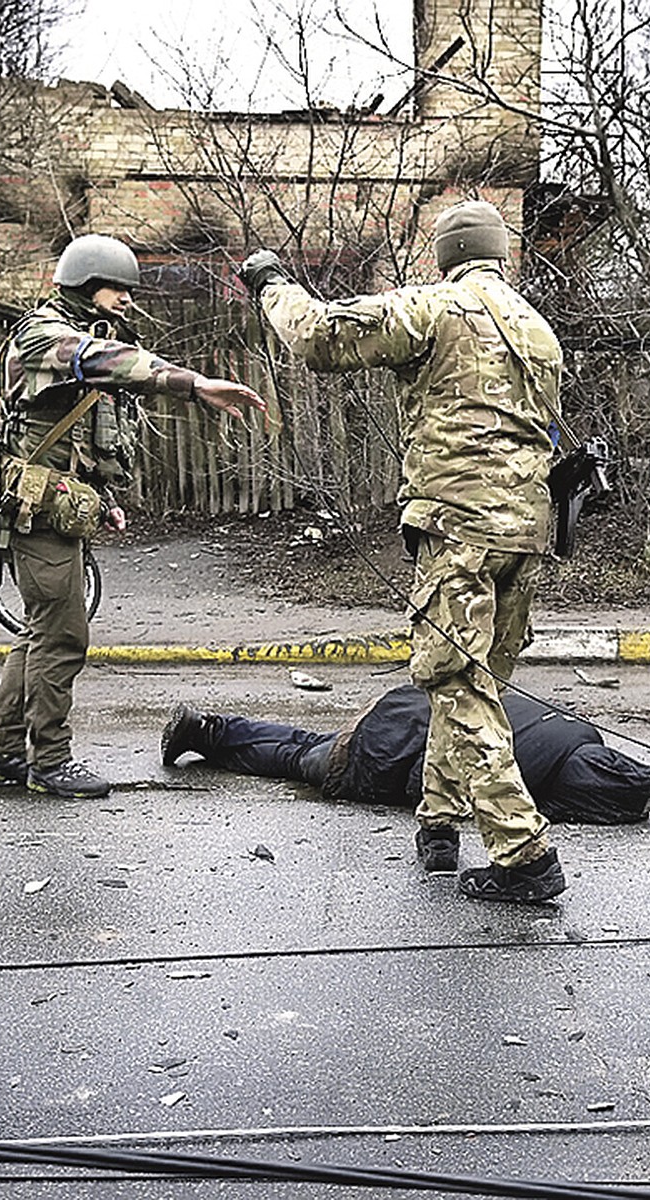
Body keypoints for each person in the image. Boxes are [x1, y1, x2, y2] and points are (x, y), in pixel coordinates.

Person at [239, 199, 567, 904]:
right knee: (475, 687)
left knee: (457, 683)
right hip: (526, 529)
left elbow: (321, 338)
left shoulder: (438, 308)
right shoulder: (537, 328)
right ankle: (440, 821)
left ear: (447, 255)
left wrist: (272, 283)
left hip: (459, 528)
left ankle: (523, 852)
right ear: (503, 252)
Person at [0, 234, 265, 800]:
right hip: (35, 509)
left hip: (61, 507)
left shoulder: (92, 337)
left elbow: (81, 438)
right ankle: (50, 761)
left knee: (42, 633)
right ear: (85, 286)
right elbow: (96, 361)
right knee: (63, 637)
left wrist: (104, 499)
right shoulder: (42, 336)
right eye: (117, 290)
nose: (128, 301)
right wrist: (194, 384)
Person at [159, 684, 650, 827]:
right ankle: (205, 735)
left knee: (310, 741)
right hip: (386, 748)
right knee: (297, 759)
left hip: (409, 704)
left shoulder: (576, 730)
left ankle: (214, 728)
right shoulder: (519, 776)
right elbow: (427, 774)